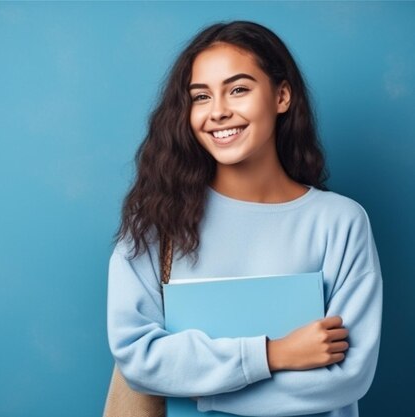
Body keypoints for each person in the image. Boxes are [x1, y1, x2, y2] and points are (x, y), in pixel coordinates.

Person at [106, 21, 382, 416]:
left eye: (238, 89)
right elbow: (138, 357)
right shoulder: (157, 220)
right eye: (200, 96)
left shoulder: (341, 221)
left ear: (282, 96)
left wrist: (199, 388)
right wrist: (272, 354)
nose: (218, 112)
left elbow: (348, 376)